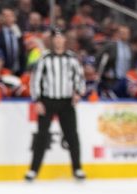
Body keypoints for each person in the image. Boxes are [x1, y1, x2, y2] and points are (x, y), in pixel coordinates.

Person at [27, 28, 86, 182]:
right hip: (48, 101)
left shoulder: (72, 58)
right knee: (41, 136)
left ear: (65, 40)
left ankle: (77, 168)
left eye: (61, 38)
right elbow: (35, 80)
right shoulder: (44, 58)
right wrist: (37, 100)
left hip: (66, 102)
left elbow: (79, 77)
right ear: (52, 41)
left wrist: (78, 92)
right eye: (56, 38)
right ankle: (33, 170)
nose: (59, 41)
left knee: (72, 136)